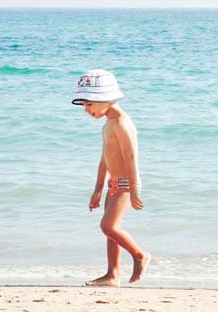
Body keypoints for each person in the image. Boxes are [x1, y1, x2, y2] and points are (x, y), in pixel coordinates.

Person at [72, 69, 150, 287]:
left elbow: (131, 157)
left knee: (108, 226)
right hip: (113, 184)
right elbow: (104, 159)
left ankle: (140, 255)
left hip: (125, 185)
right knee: (111, 233)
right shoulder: (108, 123)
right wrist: (98, 188)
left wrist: (134, 189)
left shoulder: (122, 123)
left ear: (103, 99)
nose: (86, 110)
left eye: (89, 104)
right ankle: (112, 275)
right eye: (84, 106)